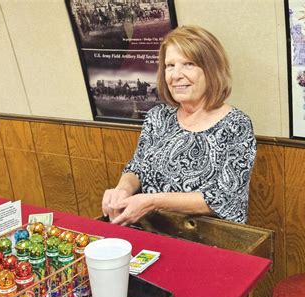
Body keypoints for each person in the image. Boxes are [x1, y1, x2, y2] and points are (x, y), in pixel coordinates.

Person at [102, 25, 256, 226]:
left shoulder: (236, 125)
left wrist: (153, 201)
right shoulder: (158, 117)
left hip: (209, 242)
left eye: (188, 64)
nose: (176, 75)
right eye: (170, 65)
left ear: (211, 69)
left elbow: (224, 198)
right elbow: (137, 167)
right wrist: (123, 189)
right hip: (150, 232)